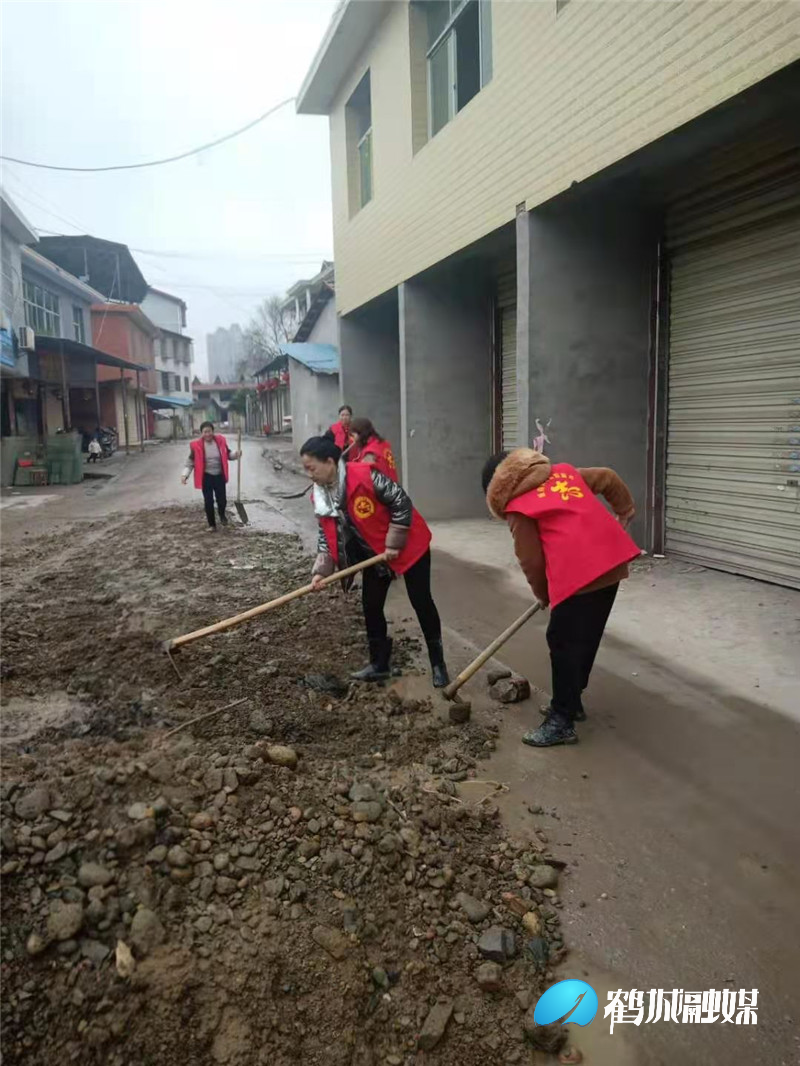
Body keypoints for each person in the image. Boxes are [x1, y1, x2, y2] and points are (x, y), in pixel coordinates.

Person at [482, 447, 639, 747]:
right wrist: (625, 510)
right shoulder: (565, 473)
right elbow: (607, 476)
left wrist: (543, 595)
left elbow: (531, 561)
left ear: (497, 488)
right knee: (586, 636)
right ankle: (572, 702)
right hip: (612, 564)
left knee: (562, 641)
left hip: (580, 575)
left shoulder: (518, 507)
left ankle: (561, 720)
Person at [300, 435, 449, 688]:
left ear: (329, 462)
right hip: (373, 555)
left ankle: (438, 664)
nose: (309, 475)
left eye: (311, 468)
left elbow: (401, 502)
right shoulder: (321, 496)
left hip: (409, 546)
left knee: (421, 602)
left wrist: (394, 543)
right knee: (371, 605)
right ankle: (379, 665)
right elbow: (327, 534)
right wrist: (321, 571)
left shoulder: (366, 476)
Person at [181, 421, 241, 532]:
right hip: (206, 477)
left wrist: (236, 454)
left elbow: (228, 454)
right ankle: (212, 525)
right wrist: (185, 475)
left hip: (219, 476)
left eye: (209, 431)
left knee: (222, 500)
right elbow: (190, 462)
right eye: (205, 432)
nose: (207, 434)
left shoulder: (220, 441)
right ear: (201, 433)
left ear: (213, 431)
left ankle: (222, 515)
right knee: (208, 501)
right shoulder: (196, 446)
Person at [349, 417, 399, 481]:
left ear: (361, 434)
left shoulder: (369, 453)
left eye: (353, 436)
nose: (352, 440)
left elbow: (366, 479)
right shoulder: (383, 443)